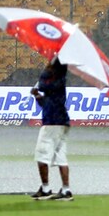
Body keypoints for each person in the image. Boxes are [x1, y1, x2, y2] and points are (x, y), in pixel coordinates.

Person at [31, 59, 73, 201]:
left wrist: (41, 81)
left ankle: (45, 188)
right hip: (61, 122)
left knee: (41, 155)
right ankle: (66, 190)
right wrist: (37, 96)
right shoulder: (57, 82)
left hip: (52, 123)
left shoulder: (55, 79)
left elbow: (43, 85)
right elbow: (46, 102)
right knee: (61, 156)